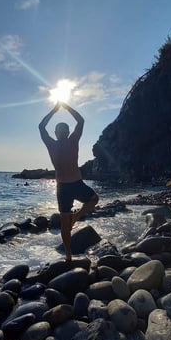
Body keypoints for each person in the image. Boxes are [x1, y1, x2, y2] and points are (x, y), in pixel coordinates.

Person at [39, 102, 99, 261]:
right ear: (57, 132)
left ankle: (77, 216)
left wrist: (64, 108)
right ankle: (68, 255)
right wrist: (56, 109)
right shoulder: (53, 143)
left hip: (75, 184)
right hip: (64, 187)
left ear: (66, 132)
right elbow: (41, 126)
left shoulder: (72, 140)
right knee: (65, 224)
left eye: (64, 129)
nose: (63, 131)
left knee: (94, 199)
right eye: (60, 129)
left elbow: (80, 121)